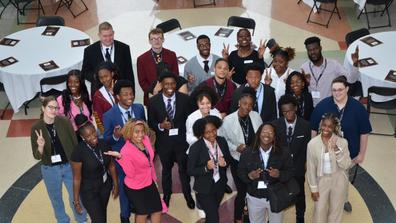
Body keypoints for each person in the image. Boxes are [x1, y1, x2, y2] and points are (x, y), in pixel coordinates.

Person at [310, 76, 372, 212]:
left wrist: (361, 154)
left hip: (347, 155)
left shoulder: (358, 108)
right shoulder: (323, 106)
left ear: (347, 89)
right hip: (324, 153)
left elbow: (364, 132)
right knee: (324, 178)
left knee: (343, 179)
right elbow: (314, 128)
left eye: (340, 90)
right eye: (334, 90)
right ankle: (324, 200)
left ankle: (343, 199)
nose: (337, 93)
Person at [30, 96, 87, 223]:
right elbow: (37, 156)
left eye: (56, 107)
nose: (54, 110)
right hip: (49, 169)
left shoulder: (64, 121)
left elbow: (74, 143)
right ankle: (62, 220)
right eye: (50, 107)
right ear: (43, 108)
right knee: (56, 199)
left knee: (76, 196)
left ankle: (81, 218)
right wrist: (40, 146)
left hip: (68, 166)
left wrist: (78, 164)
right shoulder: (36, 128)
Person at [148, 71, 195, 209]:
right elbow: (150, 122)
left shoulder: (185, 99)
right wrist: (160, 126)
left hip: (181, 142)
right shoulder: (153, 101)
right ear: (161, 85)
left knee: (184, 170)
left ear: (176, 84)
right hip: (164, 144)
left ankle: (188, 195)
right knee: (166, 170)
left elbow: (190, 120)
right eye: (166, 83)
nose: (169, 86)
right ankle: (166, 195)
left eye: (172, 83)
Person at [103, 80, 146, 223]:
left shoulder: (139, 108)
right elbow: (107, 139)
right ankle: (124, 215)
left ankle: (139, 207)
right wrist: (116, 135)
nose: (129, 97)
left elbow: (144, 131)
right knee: (124, 186)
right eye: (125, 94)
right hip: (122, 157)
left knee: (140, 183)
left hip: (139, 154)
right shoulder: (109, 115)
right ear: (117, 97)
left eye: (131, 93)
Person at [104, 120, 164, 223]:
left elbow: (150, 160)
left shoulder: (145, 139)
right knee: (143, 212)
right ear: (129, 132)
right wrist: (121, 158)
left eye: (142, 131)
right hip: (135, 186)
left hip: (149, 181)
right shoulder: (126, 151)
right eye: (136, 132)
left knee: (157, 209)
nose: (140, 135)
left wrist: (153, 178)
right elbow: (131, 173)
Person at [219, 87, 262, 223]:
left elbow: (261, 136)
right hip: (237, 160)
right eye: (245, 104)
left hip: (254, 160)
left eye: (250, 104)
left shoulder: (256, 116)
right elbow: (223, 140)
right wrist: (236, 147)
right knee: (242, 190)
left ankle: (251, 215)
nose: (247, 107)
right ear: (239, 103)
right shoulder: (228, 120)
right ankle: (238, 218)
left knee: (253, 189)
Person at [238, 123, 294, 223]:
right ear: (259, 134)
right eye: (264, 132)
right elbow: (240, 172)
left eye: (270, 132)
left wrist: (279, 174)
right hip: (255, 197)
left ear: (274, 136)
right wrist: (249, 176)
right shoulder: (247, 153)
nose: (267, 135)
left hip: (277, 195)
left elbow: (290, 172)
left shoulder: (284, 152)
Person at [70, 114, 119, 223]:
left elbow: (111, 165)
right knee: (99, 220)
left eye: (93, 133)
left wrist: (115, 184)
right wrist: (76, 201)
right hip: (89, 191)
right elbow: (76, 178)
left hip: (105, 186)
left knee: (102, 214)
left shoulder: (104, 144)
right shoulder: (78, 152)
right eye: (88, 136)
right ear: (82, 137)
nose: (93, 137)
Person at [272, 95, 311, 223]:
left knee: (299, 194)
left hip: (298, 168)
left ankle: (300, 217)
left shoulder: (305, 126)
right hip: (280, 169)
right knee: (278, 192)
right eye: (284, 112)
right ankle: (276, 215)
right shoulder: (275, 125)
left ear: (295, 108)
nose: (287, 114)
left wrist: (305, 165)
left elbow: (306, 148)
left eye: (290, 110)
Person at [306, 113, 352, 223]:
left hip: (339, 179)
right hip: (322, 179)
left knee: (336, 210)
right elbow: (311, 168)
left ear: (334, 128)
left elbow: (346, 165)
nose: (326, 129)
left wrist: (337, 151)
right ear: (321, 125)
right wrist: (314, 189)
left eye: (329, 126)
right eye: (324, 125)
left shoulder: (342, 142)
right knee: (319, 209)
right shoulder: (312, 144)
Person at [187, 116, 232, 223]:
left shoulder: (221, 141)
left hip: (219, 185)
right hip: (204, 189)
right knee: (214, 218)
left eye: (213, 130)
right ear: (201, 133)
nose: (212, 134)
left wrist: (224, 162)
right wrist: (206, 168)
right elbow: (190, 170)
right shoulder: (196, 148)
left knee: (212, 214)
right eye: (207, 132)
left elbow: (229, 159)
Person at [300, 36, 360, 106]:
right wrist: (305, 83)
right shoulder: (304, 68)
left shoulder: (334, 65)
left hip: (330, 104)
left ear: (320, 48)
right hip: (312, 106)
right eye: (309, 50)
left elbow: (351, 79)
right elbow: (301, 90)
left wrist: (355, 64)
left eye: (315, 49)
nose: (312, 52)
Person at [137, 28, 188, 106]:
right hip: (153, 94)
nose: (156, 41)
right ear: (149, 41)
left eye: (159, 38)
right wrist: (153, 91)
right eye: (153, 39)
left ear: (163, 39)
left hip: (171, 93)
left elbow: (175, 75)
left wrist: (169, 90)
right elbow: (142, 82)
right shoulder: (141, 59)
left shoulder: (171, 55)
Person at [82, 21, 134, 93]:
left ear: (113, 33)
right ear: (99, 35)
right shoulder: (89, 50)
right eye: (105, 36)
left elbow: (129, 73)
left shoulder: (124, 48)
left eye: (110, 35)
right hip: (99, 90)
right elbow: (85, 72)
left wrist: (131, 91)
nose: (108, 38)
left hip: (120, 90)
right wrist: (99, 78)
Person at [57, 69, 92, 137]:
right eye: (70, 82)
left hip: (87, 134)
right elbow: (58, 121)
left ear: (81, 83)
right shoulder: (61, 100)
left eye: (76, 82)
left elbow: (91, 118)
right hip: (71, 135)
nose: (72, 85)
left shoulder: (87, 97)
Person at [92, 61, 118, 134]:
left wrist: (114, 94)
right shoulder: (98, 96)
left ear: (112, 74)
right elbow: (100, 119)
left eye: (106, 76)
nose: (104, 80)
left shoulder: (121, 87)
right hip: (112, 132)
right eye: (101, 78)